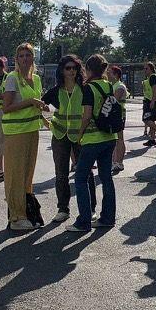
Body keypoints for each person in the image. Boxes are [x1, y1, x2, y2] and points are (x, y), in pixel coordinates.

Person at [68, 54, 118, 232]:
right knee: (106, 178)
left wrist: (79, 136)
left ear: (88, 70)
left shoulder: (88, 88)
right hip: (109, 137)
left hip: (92, 139)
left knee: (80, 179)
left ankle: (84, 220)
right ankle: (107, 217)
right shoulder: (108, 86)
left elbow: (87, 115)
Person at [43, 55, 96, 224]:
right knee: (61, 175)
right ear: (62, 71)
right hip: (59, 136)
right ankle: (63, 209)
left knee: (86, 173)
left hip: (81, 136)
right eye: (68, 68)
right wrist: (46, 121)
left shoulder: (85, 88)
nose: (71, 71)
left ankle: (91, 209)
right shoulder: (56, 90)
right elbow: (39, 104)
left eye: (74, 68)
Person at [1, 43, 47, 231]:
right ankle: (16, 216)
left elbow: (35, 104)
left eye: (28, 55)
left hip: (31, 131)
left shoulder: (36, 79)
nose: (25, 58)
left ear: (33, 58)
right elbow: (7, 107)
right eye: (21, 55)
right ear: (16, 59)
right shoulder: (12, 78)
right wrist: (30, 101)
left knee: (27, 175)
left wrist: (44, 117)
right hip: (16, 133)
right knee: (15, 175)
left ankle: (26, 211)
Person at [108, 65, 129, 173]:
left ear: (116, 75)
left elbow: (114, 100)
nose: (107, 74)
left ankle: (119, 162)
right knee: (115, 139)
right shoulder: (113, 85)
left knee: (119, 138)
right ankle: (115, 161)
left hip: (119, 115)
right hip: (113, 115)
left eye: (110, 72)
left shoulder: (119, 86)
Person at [141, 62, 156, 146]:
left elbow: (155, 89)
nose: (144, 70)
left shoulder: (153, 77)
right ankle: (152, 139)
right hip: (150, 101)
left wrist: (152, 101)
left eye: (146, 69)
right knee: (152, 120)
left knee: (146, 119)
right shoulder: (149, 78)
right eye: (144, 68)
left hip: (151, 101)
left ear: (151, 69)